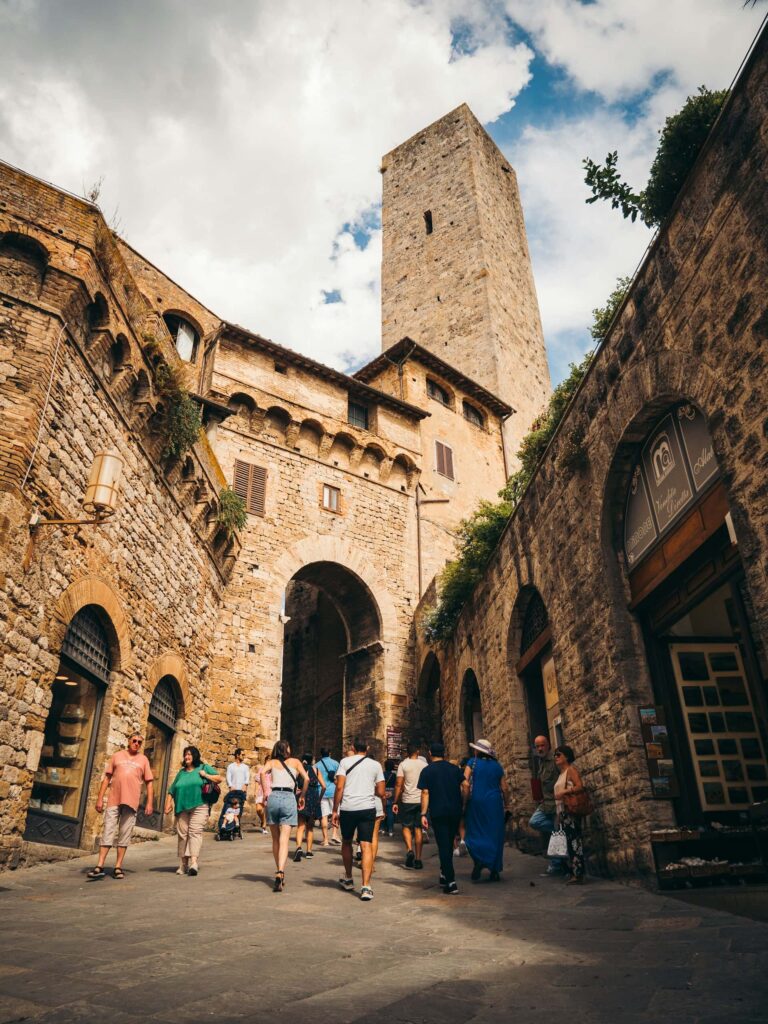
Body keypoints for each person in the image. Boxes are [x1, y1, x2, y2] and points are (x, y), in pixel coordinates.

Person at [88, 732, 154, 880]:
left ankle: (118, 866)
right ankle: (100, 865)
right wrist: (100, 799)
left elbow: (149, 783)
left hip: (131, 802)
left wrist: (149, 802)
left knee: (124, 834)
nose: (136, 744)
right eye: (134, 741)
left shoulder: (143, 760)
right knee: (108, 831)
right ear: (129, 741)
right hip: (114, 800)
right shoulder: (117, 756)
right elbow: (107, 778)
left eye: (139, 742)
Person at [332, 738, 386, 901]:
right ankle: (366, 887)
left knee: (347, 842)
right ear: (367, 748)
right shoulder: (375, 765)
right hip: (367, 808)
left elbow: (340, 787)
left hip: (348, 808)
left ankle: (348, 878)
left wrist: (335, 809)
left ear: (353, 748)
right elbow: (381, 791)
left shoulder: (345, 762)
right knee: (366, 844)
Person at [164, 746, 223, 877]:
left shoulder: (203, 767)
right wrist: (168, 804)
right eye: (185, 755)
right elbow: (172, 790)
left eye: (189, 754)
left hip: (200, 805)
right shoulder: (181, 773)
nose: (187, 757)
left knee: (195, 832)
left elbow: (219, 778)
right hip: (182, 807)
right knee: (183, 835)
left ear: (195, 756)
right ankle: (183, 864)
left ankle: (193, 863)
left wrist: (205, 775)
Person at [418, 742, 465, 894]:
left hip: (438, 812)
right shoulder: (454, 769)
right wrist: (464, 803)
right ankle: (444, 874)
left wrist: (423, 813)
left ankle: (451, 882)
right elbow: (466, 785)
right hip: (455, 811)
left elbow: (425, 793)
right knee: (449, 843)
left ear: (430, 753)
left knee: (443, 846)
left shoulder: (427, 771)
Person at [263, 740, 309, 891]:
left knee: (275, 839)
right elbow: (307, 779)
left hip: (274, 796)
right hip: (289, 797)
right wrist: (302, 795)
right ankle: (280, 872)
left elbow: (262, 773)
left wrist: (265, 792)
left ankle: (278, 871)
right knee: (284, 839)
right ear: (287, 749)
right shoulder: (295, 762)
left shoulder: (272, 762)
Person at [463, 739, 510, 882]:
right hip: (494, 803)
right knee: (495, 834)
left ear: (478, 751)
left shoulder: (472, 763)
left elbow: (465, 782)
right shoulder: (497, 766)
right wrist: (507, 805)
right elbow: (505, 788)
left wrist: (465, 801)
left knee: (474, 831)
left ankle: (479, 859)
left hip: (477, 801)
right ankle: (494, 869)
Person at [528, 735, 566, 876]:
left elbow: (563, 778)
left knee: (556, 831)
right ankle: (563, 832)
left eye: (542, 745)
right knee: (535, 822)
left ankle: (556, 864)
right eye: (537, 746)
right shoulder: (541, 762)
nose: (540, 748)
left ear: (548, 745)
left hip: (556, 803)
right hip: (545, 804)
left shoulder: (555, 761)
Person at [554, 745, 587, 885]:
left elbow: (580, 786)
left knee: (574, 841)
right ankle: (573, 871)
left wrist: (565, 792)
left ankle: (578, 873)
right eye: (555, 755)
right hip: (563, 811)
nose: (556, 757)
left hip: (571, 811)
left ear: (566, 756)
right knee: (567, 842)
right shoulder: (561, 773)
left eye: (558, 754)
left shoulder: (571, 770)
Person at [392, 742, 427, 869]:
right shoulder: (424, 765)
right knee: (418, 828)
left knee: (406, 827)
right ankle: (418, 859)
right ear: (418, 751)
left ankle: (409, 850)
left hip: (407, 800)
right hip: (421, 800)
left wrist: (395, 801)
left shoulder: (403, 764)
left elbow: (398, 784)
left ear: (406, 752)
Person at [294, 755, 326, 861]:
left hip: (302, 796)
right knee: (310, 827)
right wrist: (319, 798)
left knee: (300, 825)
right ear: (312, 760)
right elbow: (324, 786)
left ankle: (298, 847)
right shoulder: (316, 770)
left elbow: (294, 781)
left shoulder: (300, 769)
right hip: (313, 797)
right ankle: (309, 851)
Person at [315, 748, 340, 845]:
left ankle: (325, 840)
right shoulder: (336, 764)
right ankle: (334, 834)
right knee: (336, 813)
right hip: (334, 791)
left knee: (324, 815)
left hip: (321, 792)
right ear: (330, 753)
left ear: (321, 754)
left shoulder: (316, 765)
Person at [226, 748, 250, 813]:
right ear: (237, 755)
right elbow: (228, 777)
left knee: (239, 810)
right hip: (233, 791)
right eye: (242, 755)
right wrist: (230, 786)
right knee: (230, 810)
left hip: (242, 791)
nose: (244, 756)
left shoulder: (245, 767)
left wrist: (245, 785)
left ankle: (237, 823)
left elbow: (247, 778)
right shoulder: (230, 766)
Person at [252, 763, 269, 833]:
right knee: (258, 809)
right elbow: (257, 781)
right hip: (260, 791)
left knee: (265, 809)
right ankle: (263, 820)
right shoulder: (262, 770)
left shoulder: (274, 771)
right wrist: (255, 791)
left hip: (269, 792)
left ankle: (264, 824)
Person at [383, 758, 398, 836]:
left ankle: (382, 828)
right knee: (390, 812)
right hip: (392, 792)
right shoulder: (394, 775)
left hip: (383, 791)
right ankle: (390, 830)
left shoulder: (382, 774)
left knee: (383, 810)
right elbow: (396, 785)